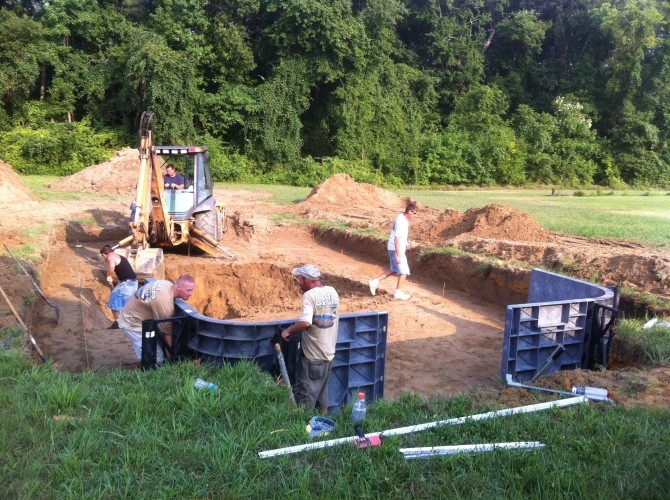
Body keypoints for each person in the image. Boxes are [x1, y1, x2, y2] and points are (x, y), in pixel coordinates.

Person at [281, 264, 339, 415]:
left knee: (306, 396)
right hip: (328, 355)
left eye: (299, 279)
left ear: (307, 280)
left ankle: (303, 429)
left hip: (313, 357)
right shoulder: (332, 291)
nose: (298, 282)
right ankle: (324, 425)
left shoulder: (309, 296)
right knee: (322, 395)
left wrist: (288, 331)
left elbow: (306, 323)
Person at [118, 275, 196, 363]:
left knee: (156, 348)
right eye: (188, 290)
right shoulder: (164, 301)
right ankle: (148, 372)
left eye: (192, 290)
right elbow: (167, 333)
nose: (191, 293)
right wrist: (174, 357)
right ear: (178, 287)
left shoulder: (167, 284)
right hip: (132, 323)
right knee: (156, 357)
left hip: (138, 316)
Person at [368, 204, 418, 300]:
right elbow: (397, 239)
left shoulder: (401, 217)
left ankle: (375, 281)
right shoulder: (402, 222)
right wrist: (399, 255)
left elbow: (399, 236)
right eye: (414, 213)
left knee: (394, 269)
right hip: (396, 248)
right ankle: (398, 293)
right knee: (404, 271)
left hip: (392, 247)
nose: (415, 216)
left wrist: (406, 243)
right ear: (409, 212)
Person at [100, 245, 138, 329]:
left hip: (127, 284)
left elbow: (111, 267)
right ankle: (128, 322)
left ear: (104, 254)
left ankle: (118, 323)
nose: (105, 259)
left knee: (113, 302)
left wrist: (108, 276)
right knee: (126, 304)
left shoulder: (111, 257)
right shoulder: (117, 256)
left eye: (103, 257)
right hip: (131, 283)